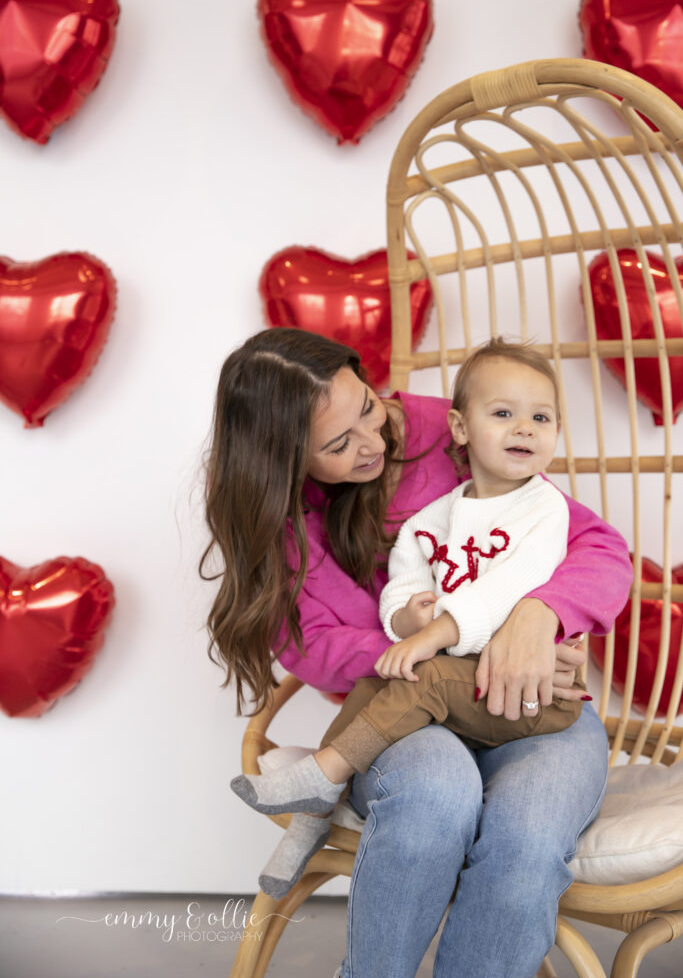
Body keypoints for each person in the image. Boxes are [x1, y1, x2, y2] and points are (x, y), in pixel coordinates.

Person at [201, 327, 632, 978]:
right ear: (282, 461)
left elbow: (593, 547)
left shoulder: (454, 429)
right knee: (433, 799)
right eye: (339, 444)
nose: (374, 442)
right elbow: (319, 645)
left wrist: (538, 617)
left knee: (529, 837)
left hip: (531, 702)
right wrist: (460, 646)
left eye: (368, 409)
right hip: (406, 715)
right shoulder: (282, 524)